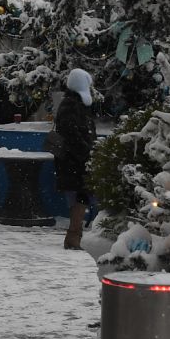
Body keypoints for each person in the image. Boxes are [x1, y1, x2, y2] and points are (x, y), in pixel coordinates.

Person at [52, 68, 98, 250]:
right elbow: (73, 136)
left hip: (73, 162)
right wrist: (87, 153)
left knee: (80, 197)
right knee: (81, 197)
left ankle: (74, 236)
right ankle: (74, 238)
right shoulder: (72, 106)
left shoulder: (72, 104)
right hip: (75, 162)